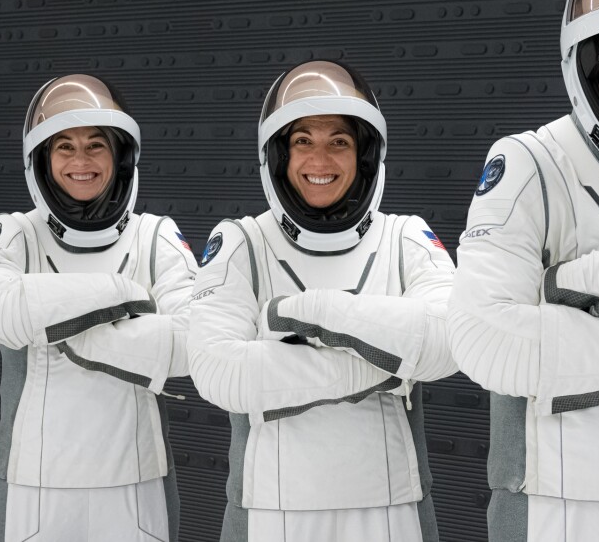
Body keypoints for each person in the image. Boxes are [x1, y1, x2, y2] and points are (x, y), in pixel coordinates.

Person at [188, 60, 456, 542]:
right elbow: (219, 371)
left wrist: (309, 318)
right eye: (303, 141)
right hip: (272, 511)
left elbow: (450, 339)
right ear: (279, 156)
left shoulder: (405, 235)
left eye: (339, 141)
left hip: (391, 509)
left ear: (365, 155)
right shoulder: (241, 243)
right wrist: (387, 364)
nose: (320, 159)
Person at [448, 0, 599, 541]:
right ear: (589, 54)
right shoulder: (532, 162)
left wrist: (581, 290)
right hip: (559, 509)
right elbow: (483, 335)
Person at [0, 74, 197, 542]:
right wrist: (122, 297)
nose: (81, 161)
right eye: (64, 148)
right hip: (32, 485)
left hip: (137, 484)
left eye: (96, 146)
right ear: (42, 161)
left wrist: (54, 320)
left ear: (120, 157)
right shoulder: (16, 232)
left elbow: (193, 342)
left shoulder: (155, 236)